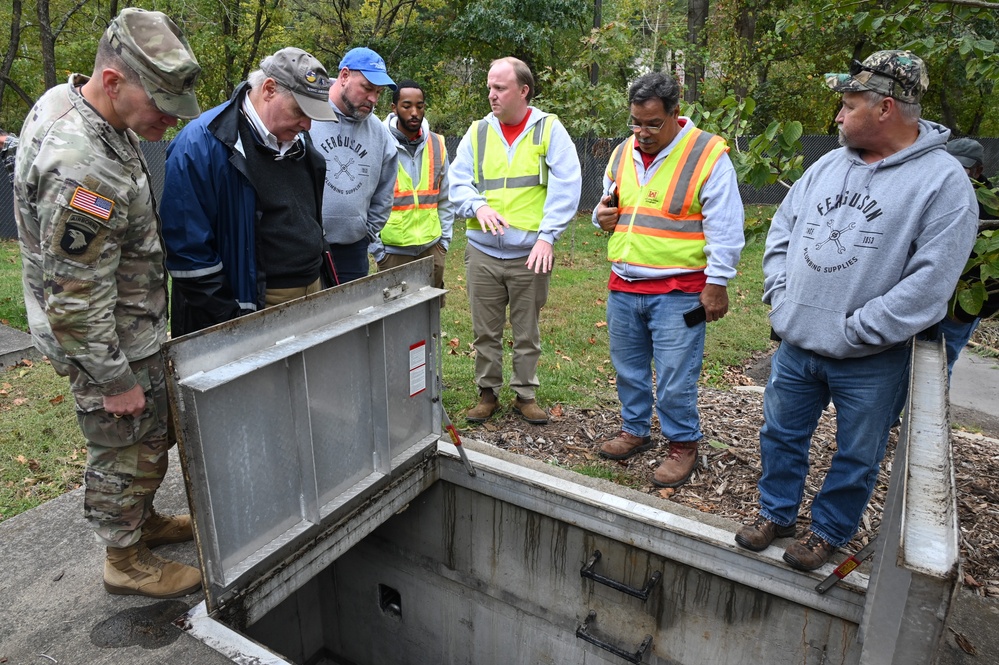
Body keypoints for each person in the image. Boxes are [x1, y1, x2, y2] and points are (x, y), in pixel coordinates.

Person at [735, 50, 978, 571]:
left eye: (847, 105)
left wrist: (858, 329)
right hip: (798, 343)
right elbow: (782, 231)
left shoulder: (943, 184)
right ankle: (775, 513)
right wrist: (781, 298)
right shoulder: (827, 164)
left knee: (856, 454)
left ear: (885, 108)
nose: (838, 117)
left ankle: (828, 531)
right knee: (780, 434)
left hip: (872, 357)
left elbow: (930, 284)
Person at [13, 8, 204, 598]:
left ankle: (141, 524)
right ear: (115, 81)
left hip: (127, 325)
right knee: (126, 446)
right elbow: (73, 300)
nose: (169, 121)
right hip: (106, 342)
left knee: (146, 442)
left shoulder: (86, 108)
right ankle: (124, 561)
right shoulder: (83, 167)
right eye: (161, 107)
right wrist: (113, 378)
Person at [592, 72, 745, 488]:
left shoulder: (707, 153)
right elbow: (608, 204)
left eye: (652, 123)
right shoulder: (624, 151)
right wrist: (599, 217)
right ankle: (635, 430)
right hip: (624, 285)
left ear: (676, 114)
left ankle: (682, 444)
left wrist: (717, 283)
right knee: (629, 369)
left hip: (680, 293)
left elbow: (726, 226)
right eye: (635, 122)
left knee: (677, 374)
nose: (642, 133)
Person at [161, 47, 336, 337]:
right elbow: (188, 252)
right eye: (300, 111)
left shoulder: (299, 142)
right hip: (254, 306)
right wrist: (232, 322)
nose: (307, 125)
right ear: (269, 89)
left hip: (313, 289)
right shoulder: (201, 143)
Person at [450, 57, 582, 425]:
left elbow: (567, 187)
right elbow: (456, 182)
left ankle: (526, 394)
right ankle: (486, 393)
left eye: (500, 88)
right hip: (483, 252)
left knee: (527, 329)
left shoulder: (549, 130)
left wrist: (547, 236)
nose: (491, 95)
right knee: (484, 330)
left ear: (523, 91)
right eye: (490, 87)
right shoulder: (478, 132)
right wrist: (477, 206)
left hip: (530, 255)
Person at [310, 47, 398, 284]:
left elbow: (385, 190)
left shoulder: (379, 133)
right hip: (304, 250)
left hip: (352, 252)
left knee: (350, 319)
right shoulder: (307, 115)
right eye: (367, 88)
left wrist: (366, 233)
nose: (373, 99)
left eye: (378, 92)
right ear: (345, 76)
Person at [377, 79, 453, 295]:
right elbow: (367, 202)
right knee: (394, 317)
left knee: (430, 315)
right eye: (407, 105)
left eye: (419, 106)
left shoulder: (437, 144)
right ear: (394, 108)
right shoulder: (380, 143)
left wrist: (443, 244)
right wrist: (378, 251)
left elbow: (447, 198)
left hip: (432, 248)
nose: (414, 112)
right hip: (393, 252)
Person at [937, 137, 999, 380]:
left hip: (958, 308)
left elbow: (994, 272)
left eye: (961, 167)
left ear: (978, 170)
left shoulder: (991, 206)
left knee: (941, 363)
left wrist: (967, 313)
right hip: (926, 300)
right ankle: (893, 418)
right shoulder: (938, 193)